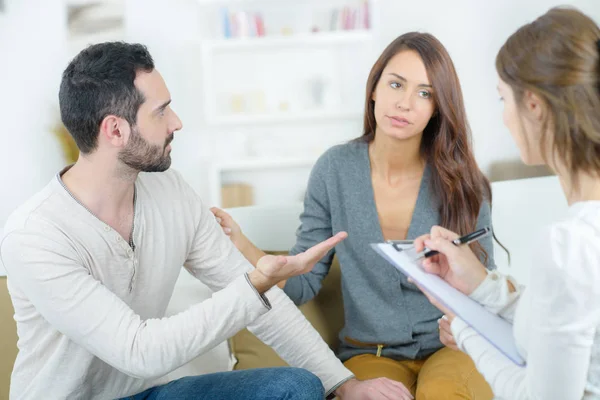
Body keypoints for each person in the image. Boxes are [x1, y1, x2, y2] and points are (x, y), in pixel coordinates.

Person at [0, 42, 414, 400]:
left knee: (299, 388)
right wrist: (254, 285)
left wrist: (343, 383)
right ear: (115, 130)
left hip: (142, 393)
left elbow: (264, 306)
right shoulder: (36, 235)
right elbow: (140, 350)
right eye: (161, 112)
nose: (176, 122)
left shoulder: (172, 193)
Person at [213, 31, 502, 399]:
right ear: (374, 89)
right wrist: (241, 242)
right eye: (396, 84)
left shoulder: (464, 182)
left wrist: (465, 320)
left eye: (425, 93)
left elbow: (485, 286)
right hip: (370, 353)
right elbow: (303, 283)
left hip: (453, 348)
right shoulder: (334, 170)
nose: (405, 103)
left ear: (437, 108)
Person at [413, 6, 600, 400]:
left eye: (503, 99)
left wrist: (464, 325)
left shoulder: (571, 244)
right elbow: (564, 325)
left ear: (533, 105)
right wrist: (480, 287)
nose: (503, 118)